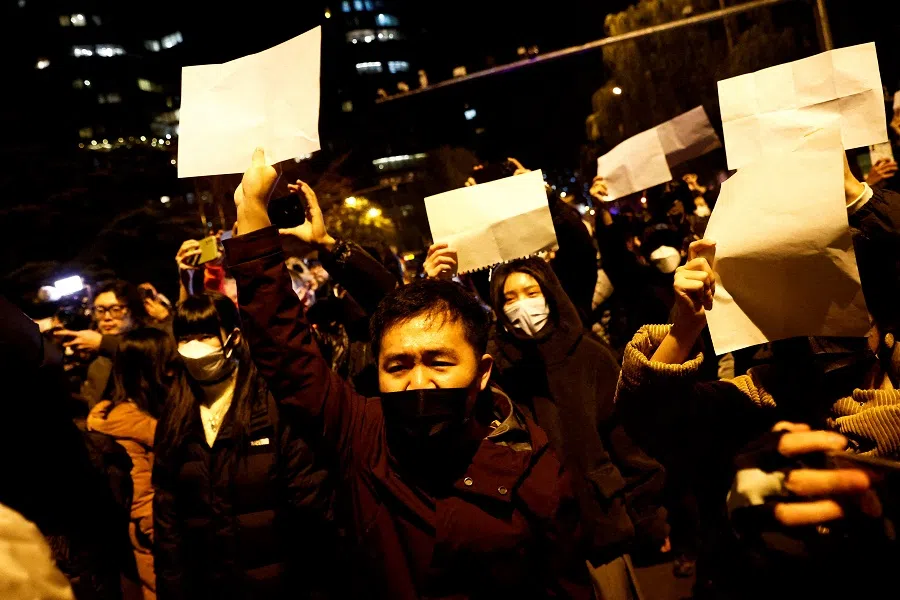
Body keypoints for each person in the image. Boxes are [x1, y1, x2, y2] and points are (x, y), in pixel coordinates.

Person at [223, 149, 594, 598]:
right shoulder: (361, 434)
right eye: (397, 365)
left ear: (482, 372)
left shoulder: (535, 473)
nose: (418, 382)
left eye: (439, 362)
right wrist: (251, 213)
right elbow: (286, 350)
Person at [614, 158, 900, 597]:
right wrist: (685, 327)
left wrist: (859, 198)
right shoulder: (759, 401)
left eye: (837, 290)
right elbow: (647, 416)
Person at [457, 252, 669, 597]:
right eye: (509, 298)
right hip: (534, 543)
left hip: (600, 526)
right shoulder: (492, 371)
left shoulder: (590, 356)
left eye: (531, 292)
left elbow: (628, 442)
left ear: (550, 294)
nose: (521, 306)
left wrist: (647, 515)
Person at [151, 291, 342, 600]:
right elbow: (168, 522)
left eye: (205, 335)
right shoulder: (175, 413)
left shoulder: (269, 404)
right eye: (185, 338)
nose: (194, 348)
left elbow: (311, 509)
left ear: (234, 337)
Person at [87, 328, 177, 600]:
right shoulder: (126, 428)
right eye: (170, 362)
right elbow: (142, 503)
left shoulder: (148, 416)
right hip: (157, 548)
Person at [55, 280, 149, 411]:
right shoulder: (97, 353)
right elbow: (90, 400)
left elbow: (145, 354)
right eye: (100, 310)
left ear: (133, 311)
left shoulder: (152, 338)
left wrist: (102, 344)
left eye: (116, 310)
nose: (107, 317)